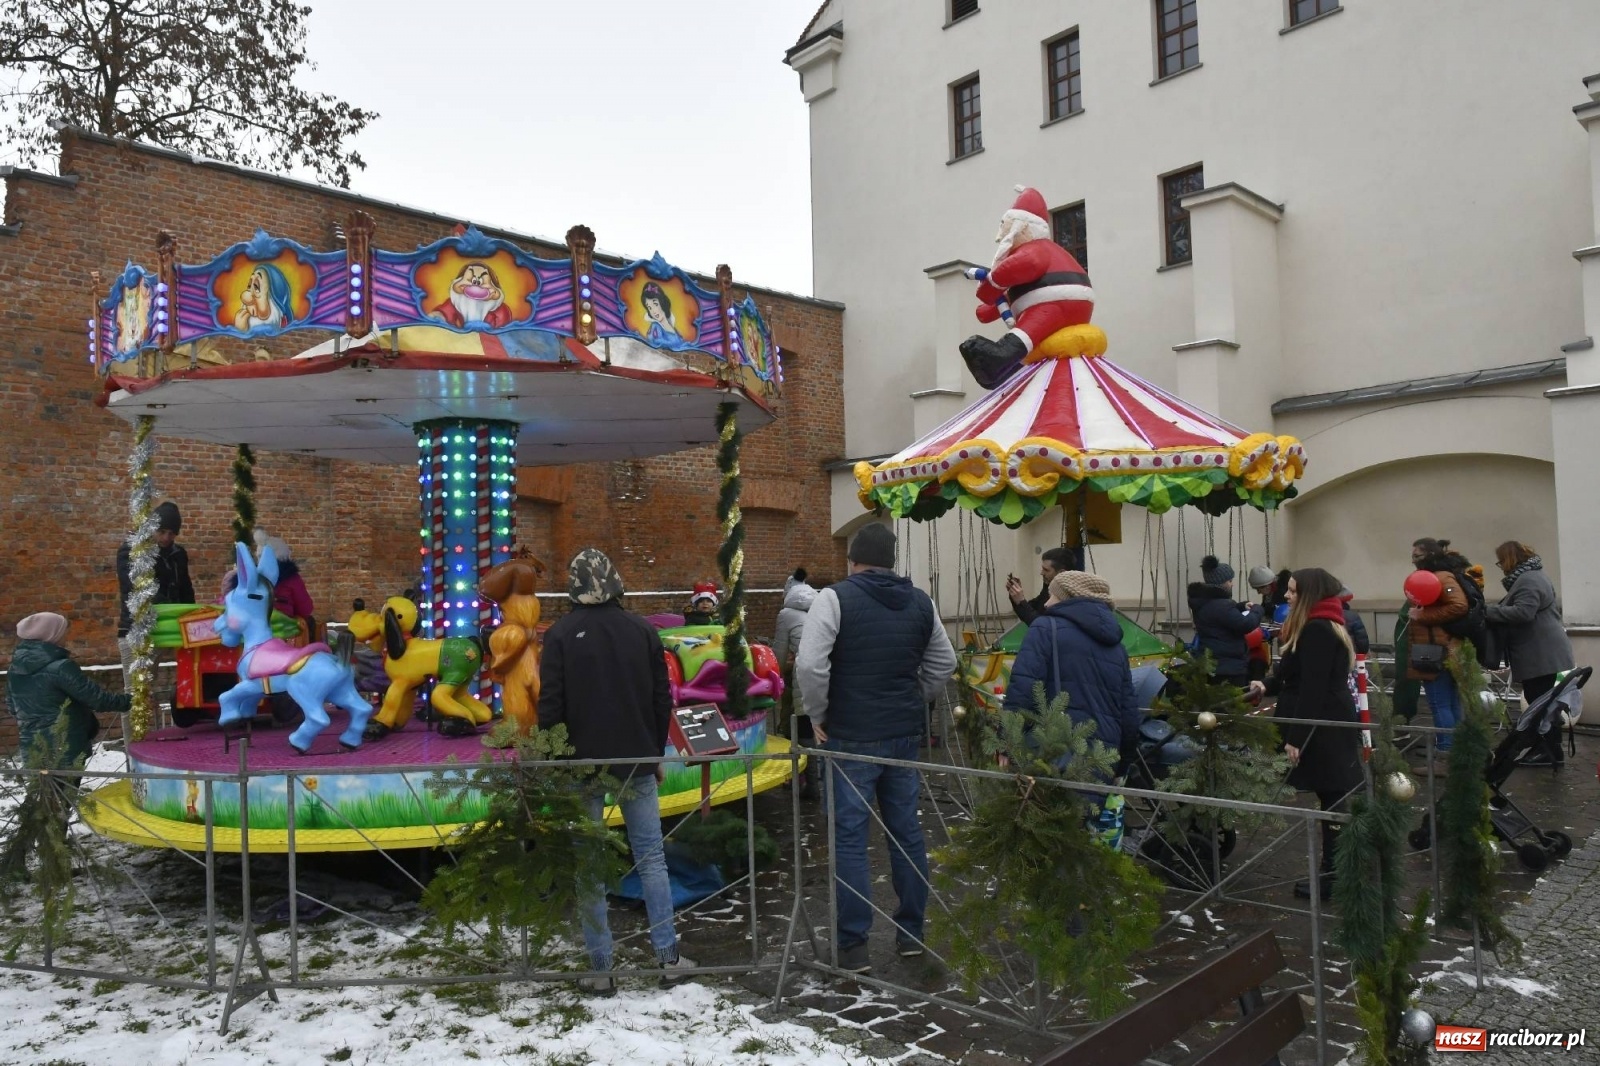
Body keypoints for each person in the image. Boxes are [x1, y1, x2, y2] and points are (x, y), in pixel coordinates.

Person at [795, 523, 957, 973]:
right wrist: (914, 696)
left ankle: (854, 944)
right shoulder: (920, 601)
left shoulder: (834, 598)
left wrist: (819, 713)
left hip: (850, 735)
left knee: (850, 838)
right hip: (903, 733)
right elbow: (945, 661)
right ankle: (910, 935)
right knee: (906, 834)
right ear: (891, 561)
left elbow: (810, 664)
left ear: (853, 561)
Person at [537, 548, 695, 994]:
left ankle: (602, 968)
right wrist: (653, 754)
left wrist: (553, 762)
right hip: (635, 763)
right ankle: (668, 960)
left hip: (580, 765)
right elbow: (660, 699)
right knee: (651, 859)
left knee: (588, 867)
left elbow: (550, 707)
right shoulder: (642, 631)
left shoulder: (561, 635)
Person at [1247, 569, 1363, 900]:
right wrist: (1265, 684)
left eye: (1294, 591)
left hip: (1322, 725)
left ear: (1310, 595)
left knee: (1333, 798)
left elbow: (1313, 689)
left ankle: (1334, 877)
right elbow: (1292, 672)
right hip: (1323, 720)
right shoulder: (1318, 624)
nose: (1287, 596)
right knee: (1333, 797)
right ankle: (1336, 872)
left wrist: (1296, 738)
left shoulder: (1317, 630)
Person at [1003, 571, 1140, 772]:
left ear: (1067, 597)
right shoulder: (1117, 646)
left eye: (1053, 596)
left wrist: (1006, 741)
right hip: (1103, 759)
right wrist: (1124, 761)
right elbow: (1128, 710)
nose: (1047, 604)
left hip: (1053, 752)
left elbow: (1023, 688)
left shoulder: (1045, 629)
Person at [7, 612, 131, 771]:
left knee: (42, 793)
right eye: (62, 631)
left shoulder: (15, 668)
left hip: (32, 747)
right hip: (64, 746)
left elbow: (13, 707)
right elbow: (96, 699)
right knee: (66, 794)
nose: (65, 636)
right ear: (51, 634)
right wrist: (131, 701)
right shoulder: (61, 667)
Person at [1487, 541, 1575, 767]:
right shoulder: (1532, 576)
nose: (1500, 567)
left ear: (1508, 559)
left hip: (1541, 653)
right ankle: (1546, 750)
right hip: (1542, 652)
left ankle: (1547, 751)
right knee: (1543, 701)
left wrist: (1487, 611)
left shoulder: (1529, 579)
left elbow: (1523, 612)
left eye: (1500, 561)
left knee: (1540, 703)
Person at [116, 501, 196, 693]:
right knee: (136, 693)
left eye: (172, 533)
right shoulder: (132, 551)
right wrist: (170, 608)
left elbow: (185, 588)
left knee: (149, 690)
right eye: (162, 532)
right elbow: (137, 587)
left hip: (169, 628)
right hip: (138, 629)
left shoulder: (178, 555)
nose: (167, 538)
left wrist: (190, 614)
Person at [1406, 546, 1471, 762]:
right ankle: (1453, 748)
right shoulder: (1439, 577)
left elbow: (1458, 605)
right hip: (1440, 648)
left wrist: (1422, 615)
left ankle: (1446, 754)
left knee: (1439, 703)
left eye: (1417, 555)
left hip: (1437, 651)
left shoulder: (1441, 578)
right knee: (1450, 702)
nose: (1413, 560)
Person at [772, 571, 819, 798]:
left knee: (803, 731)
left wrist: (776, 677)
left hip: (803, 677)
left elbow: (779, 652)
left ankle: (811, 786)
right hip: (830, 675)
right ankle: (825, 783)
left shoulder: (786, 614)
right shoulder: (822, 606)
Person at [1186, 556, 1262, 689]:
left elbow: (1219, 617)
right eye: (1230, 581)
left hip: (1212, 663)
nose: (1232, 584)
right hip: (1228, 666)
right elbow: (1245, 624)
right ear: (1220, 583)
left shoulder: (1205, 601)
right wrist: (1257, 610)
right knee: (1231, 705)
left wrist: (1241, 606)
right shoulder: (1221, 606)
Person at [253, 530, 316, 636]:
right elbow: (305, 608)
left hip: (256, 627)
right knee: (309, 623)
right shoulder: (292, 579)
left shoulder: (253, 579)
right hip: (284, 628)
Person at [1006, 546, 1078, 626]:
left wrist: (1021, 600)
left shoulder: (1070, 596)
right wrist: (1015, 595)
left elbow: (1042, 626)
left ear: (1061, 573)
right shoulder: (1049, 587)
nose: (1041, 573)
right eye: (1042, 568)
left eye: (1046, 570)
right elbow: (1031, 611)